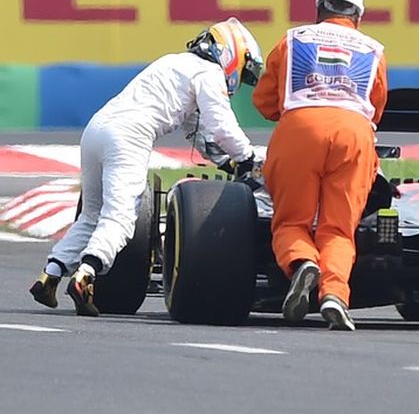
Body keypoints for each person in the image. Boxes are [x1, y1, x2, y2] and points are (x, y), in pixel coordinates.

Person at [29, 18, 262, 316]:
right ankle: (86, 274)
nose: (238, 81)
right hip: (129, 135)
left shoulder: (175, 63)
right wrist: (247, 159)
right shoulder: (209, 72)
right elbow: (222, 127)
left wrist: (226, 162)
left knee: (91, 214)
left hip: (96, 129)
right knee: (121, 216)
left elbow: (199, 131)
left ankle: (50, 274)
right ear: (231, 56)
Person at [253, 0, 387, 331]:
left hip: (300, 129)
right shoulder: (373, 48)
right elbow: (377, 105)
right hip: (354, 134)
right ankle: (334, 296)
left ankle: (301, 263)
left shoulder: (292, 39)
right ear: (358, 15)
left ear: (318, 10)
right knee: (339, 230)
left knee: (292, 222)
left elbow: (265, 101)